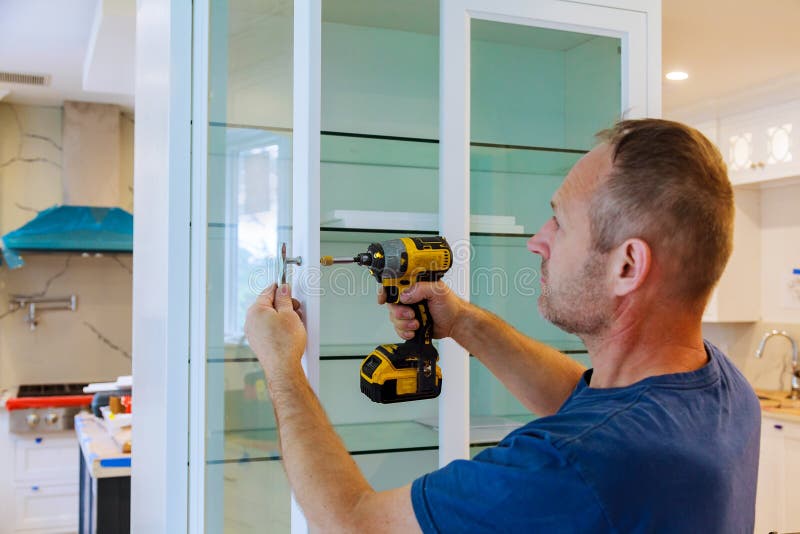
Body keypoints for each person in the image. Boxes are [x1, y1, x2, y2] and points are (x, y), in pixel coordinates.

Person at [245, 119, 760, 532]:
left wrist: (282, 365)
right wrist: (463, 321)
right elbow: (582, 401)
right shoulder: (724, 389)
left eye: (559, 220)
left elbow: (352, 523)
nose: (538, 240)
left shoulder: (569, 465)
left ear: (627, 266)